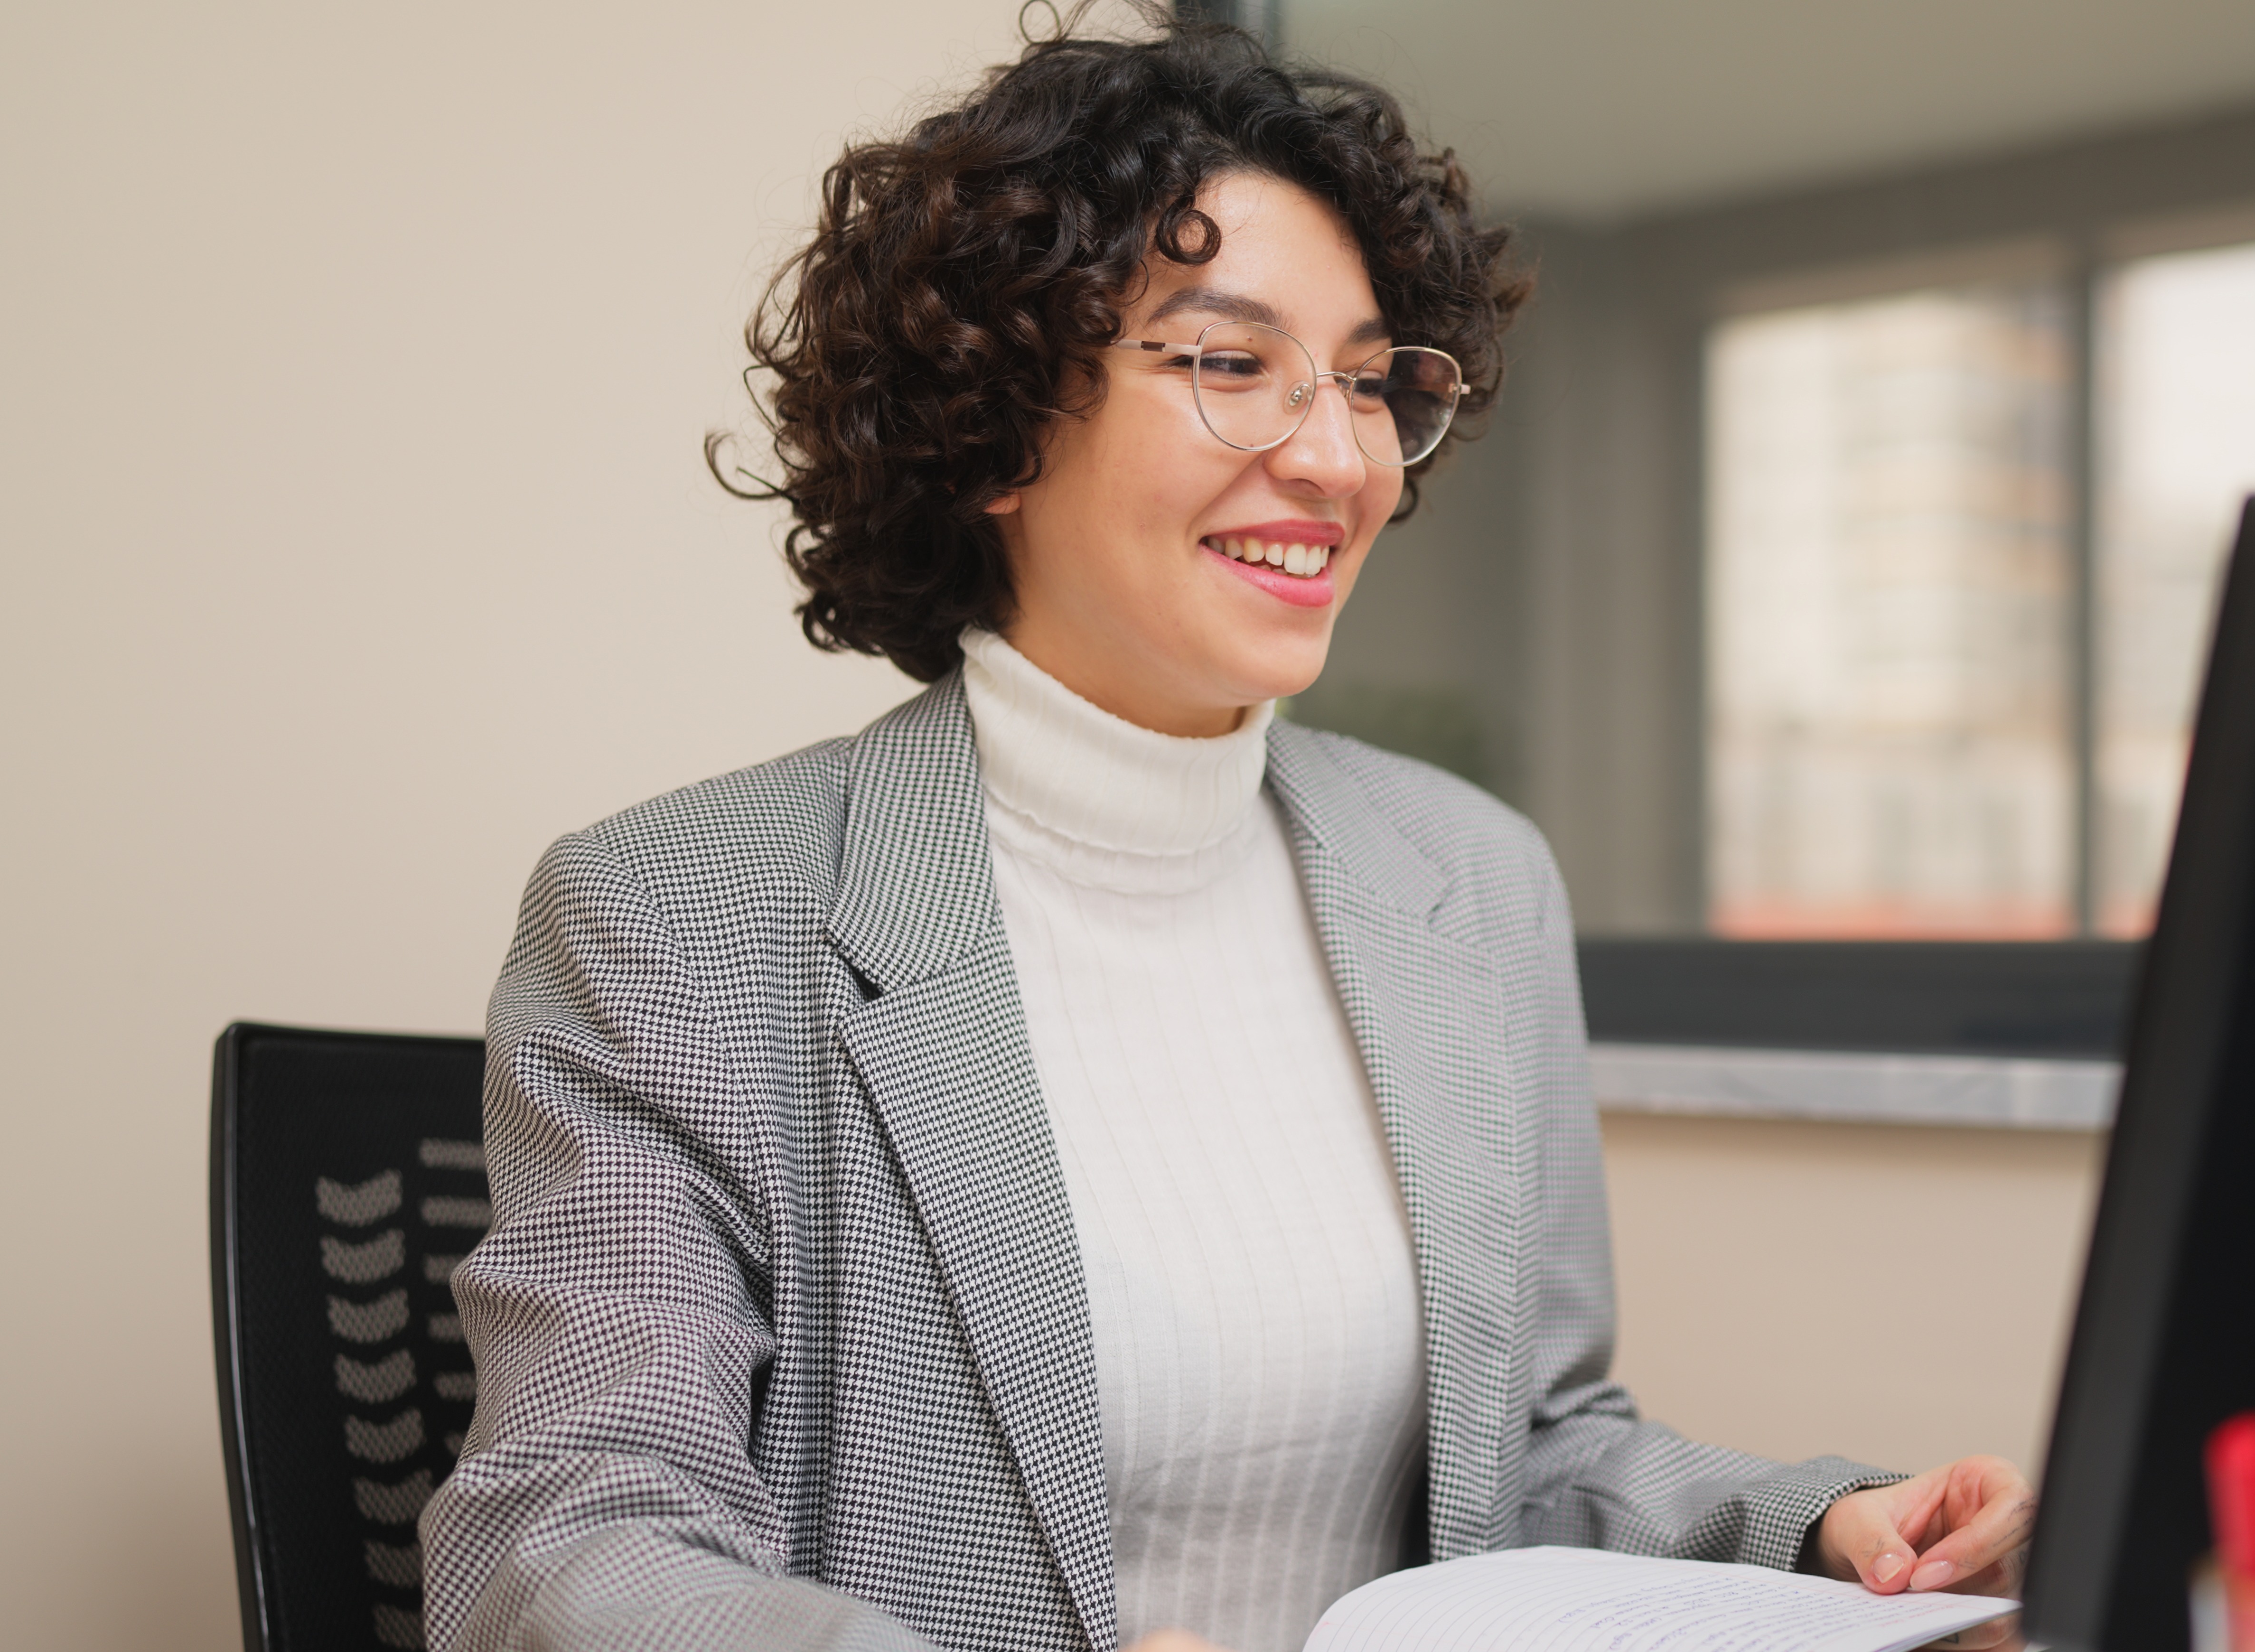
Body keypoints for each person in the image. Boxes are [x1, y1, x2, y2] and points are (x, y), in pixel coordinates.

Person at [419, 17, 2033, 1652]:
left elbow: (1530, 1454)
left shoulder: (1468, 882)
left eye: (1365, 379)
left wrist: (1818, 1531)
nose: (1338, 460)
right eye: (1231, 363)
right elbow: (571, 1547)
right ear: (995, 425)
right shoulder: (673, 917)